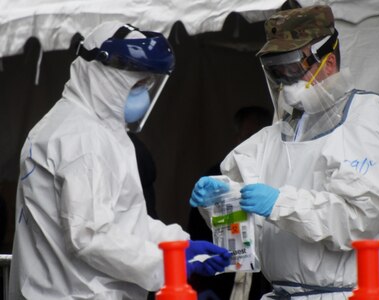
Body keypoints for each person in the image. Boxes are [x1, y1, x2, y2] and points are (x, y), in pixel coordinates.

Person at [190, 4, 379, 299]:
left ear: (329, 62)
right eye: (277, 71)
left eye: (293, 68)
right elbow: (244, 243)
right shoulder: (271, 138)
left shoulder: (361, 119)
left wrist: (279, 203)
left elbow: (358, 221)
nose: (286, 81)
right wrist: (219, 203)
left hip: (347, 294)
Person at [9, 21, 231, 300]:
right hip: (74, 293)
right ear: (102, 77)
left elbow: (126, 219)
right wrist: (169, 264)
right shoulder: (79, 137)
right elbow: (91, 237)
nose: (144, 95)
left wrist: (179, 245)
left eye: (148, 84)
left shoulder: (99, 130)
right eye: (137, 85)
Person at [188, 106, 272, 300]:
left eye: (259, 137)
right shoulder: (217, 177)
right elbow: (198, 234)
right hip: (222, 282)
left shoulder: (279, 175)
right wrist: (201, 287)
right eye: (248, 137)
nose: (253, 144)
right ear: (237, 139)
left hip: (268, 283)